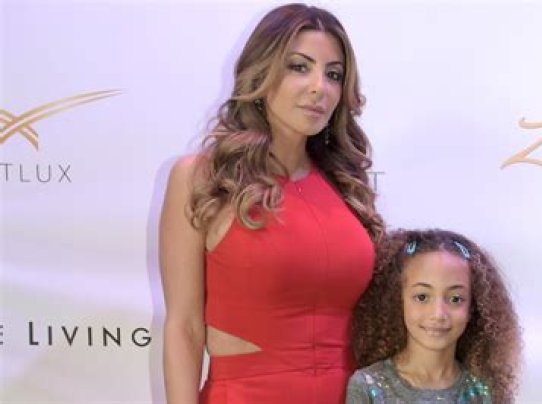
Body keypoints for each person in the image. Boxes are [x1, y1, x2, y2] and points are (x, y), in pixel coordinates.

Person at [158, 4, 384, 403]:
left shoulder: (345, 186)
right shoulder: (202, 178)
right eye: (299, 67)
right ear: (262, 72)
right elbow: (184, 327)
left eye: (334, 75)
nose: (319, 87)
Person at [347, 229, 521, 403]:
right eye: (422, 297)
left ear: (473, 308)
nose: (438, 314)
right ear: (398, 300)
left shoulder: (484, 391)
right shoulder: (366, 386)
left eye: (455, 299)